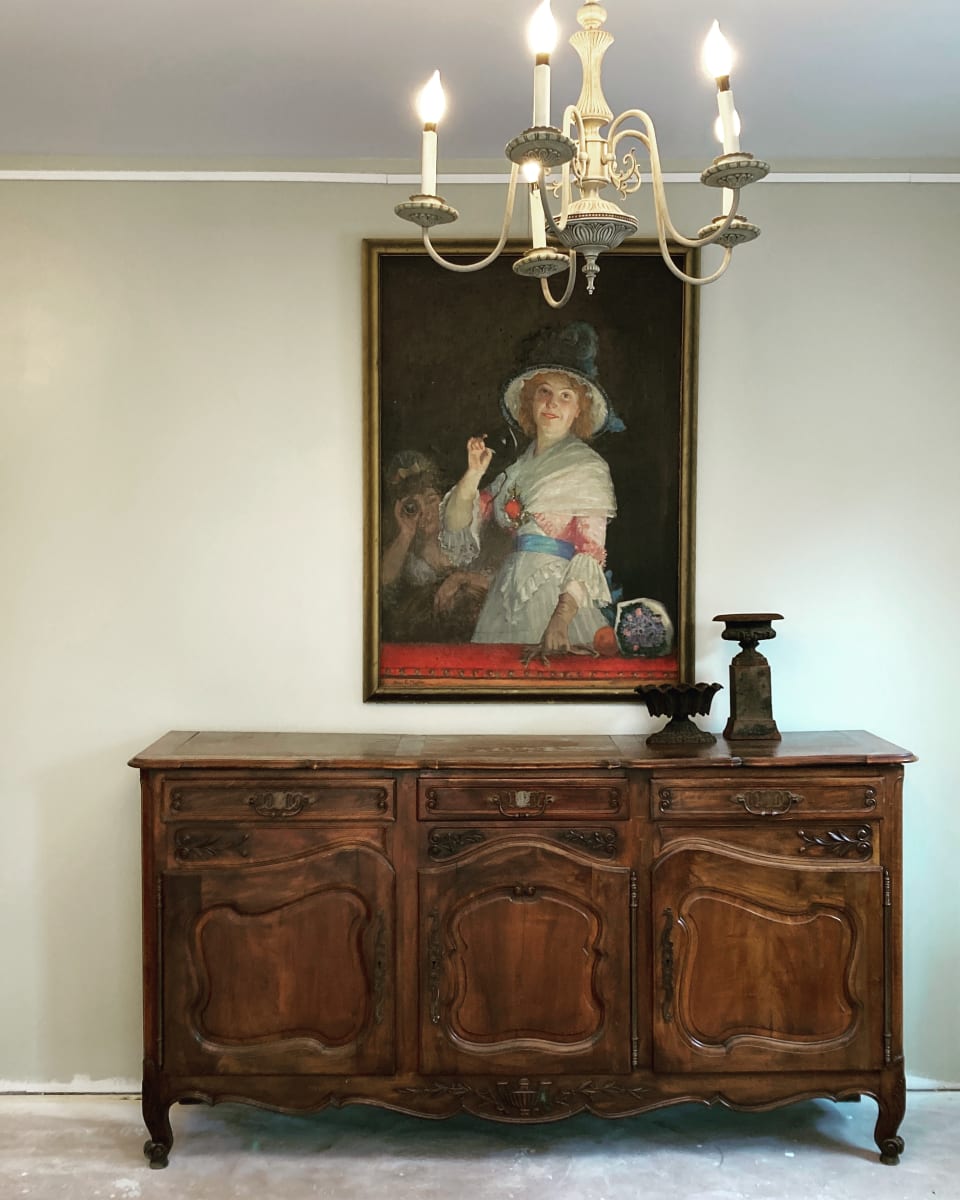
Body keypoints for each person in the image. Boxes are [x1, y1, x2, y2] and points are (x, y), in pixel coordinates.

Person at [440, 322, 624, 658]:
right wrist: (473, 473)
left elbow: (590, 552)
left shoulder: (587, 467)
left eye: (565, 395)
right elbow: (457, 524)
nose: (552, 403)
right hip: (505, 596)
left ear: (579, 408)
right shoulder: (515, 470)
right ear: (530, 398)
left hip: (556, 599)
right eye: (544, 391)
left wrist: (560, 619)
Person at [380, 451, 492, 643]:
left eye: (431, 500)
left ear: (443, 500)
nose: (426, 512)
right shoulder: (413, 564)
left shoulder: (465, 537)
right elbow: (381, 587)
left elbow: (502, 584)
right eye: (413, 506)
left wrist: (461, 578)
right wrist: (406, 532)